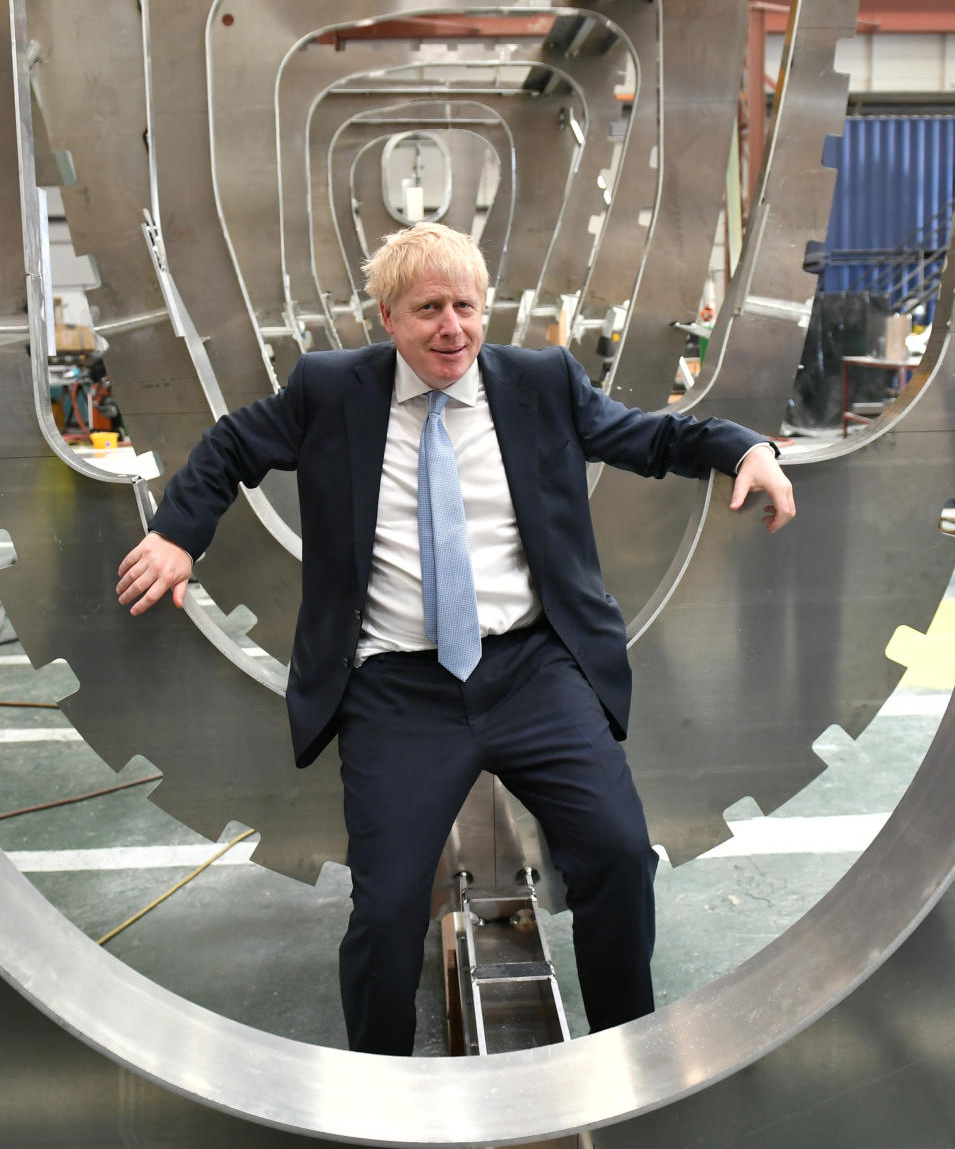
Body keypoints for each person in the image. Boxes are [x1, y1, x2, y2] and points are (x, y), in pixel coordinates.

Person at [117, 223, 795, 1056]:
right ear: (388, 318)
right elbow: (231, 448)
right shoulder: (332, 392)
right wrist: (181, 534)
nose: (452, 328)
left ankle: (629, 1054)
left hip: (532, 670)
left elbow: (649, 437)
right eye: (429, 309)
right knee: (389, 908)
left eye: (466, 307)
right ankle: (381, 1091)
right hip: (398, 688)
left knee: (619, 857)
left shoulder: (540, 382)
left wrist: (745, 449)